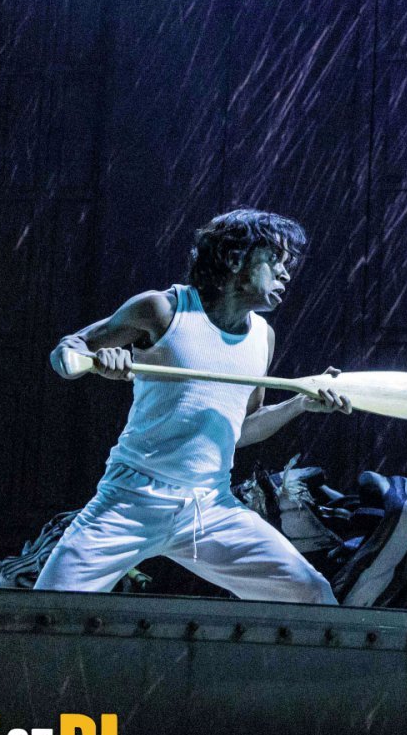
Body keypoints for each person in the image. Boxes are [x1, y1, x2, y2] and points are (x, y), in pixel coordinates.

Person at [34, 208, 349, 604]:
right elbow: (67, 351)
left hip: (209, 508)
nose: (286, 274)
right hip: (131, 500)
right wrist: (96, 361)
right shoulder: (162, 309)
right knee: (45, 610)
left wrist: (300, 404)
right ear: (235, 258)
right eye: (275, 260)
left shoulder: (263, 337)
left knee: (312, 594)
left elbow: (240, 429)